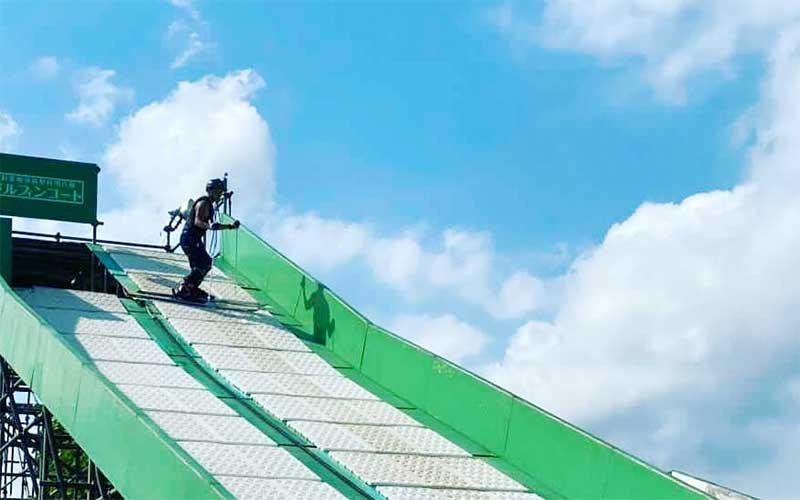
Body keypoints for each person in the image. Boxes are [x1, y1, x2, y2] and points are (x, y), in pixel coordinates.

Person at [174, 178, 239, 301]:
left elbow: (214, 225)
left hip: (194, 239)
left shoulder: (210, 205)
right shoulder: (203, 203)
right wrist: (209, 226)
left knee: (205, 264)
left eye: (221, 192)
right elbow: (197, 221)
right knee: (203, 264)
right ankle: (185, 288)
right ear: (211, 190)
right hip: (190, 238)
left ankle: (192, 288)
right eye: (218, 191)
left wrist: (230, 226)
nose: (220, 194)